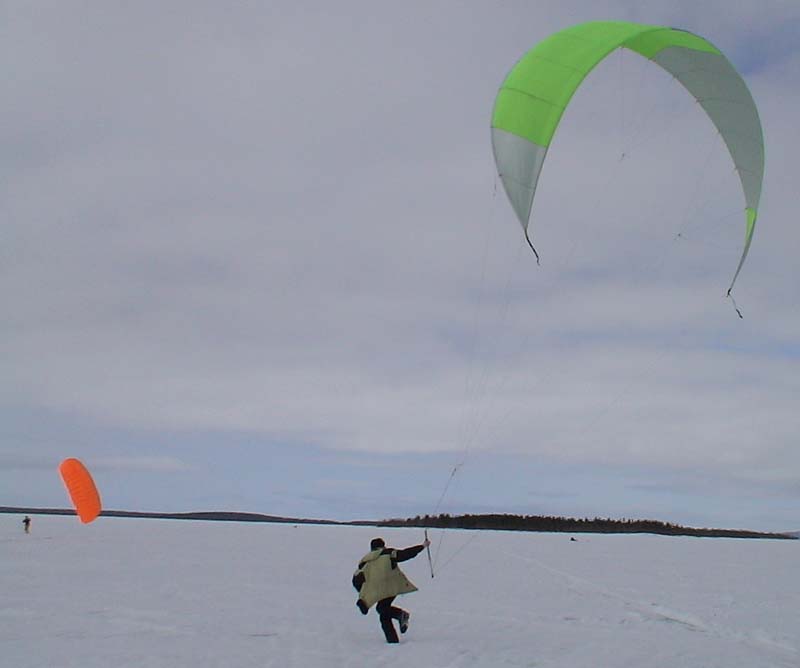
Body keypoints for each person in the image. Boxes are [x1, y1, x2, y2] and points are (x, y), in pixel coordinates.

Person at [352, 536, 430, 643]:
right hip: (392, 587)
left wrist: (363, 593)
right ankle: (394, 637)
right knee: (383, 612)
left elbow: (356, 580)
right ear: (383, 546)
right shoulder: (388, 553)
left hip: (378, 591)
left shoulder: (365, 562)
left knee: (382, 609)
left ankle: (396, 628)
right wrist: (422, 546)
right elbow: (405, 554)